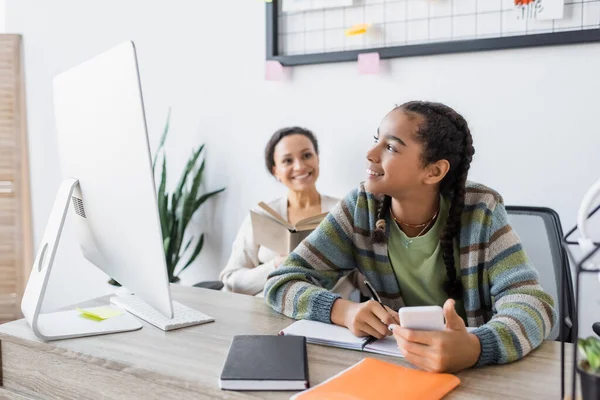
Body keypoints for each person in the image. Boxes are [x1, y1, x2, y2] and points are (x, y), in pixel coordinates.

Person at [265, 101, 556, 373]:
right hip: (398, 365)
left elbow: (532, 303)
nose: (371, 153)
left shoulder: (482, 210)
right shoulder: (360, 207)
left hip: (476, 375)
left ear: (434, 171)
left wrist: (476, 347)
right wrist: (343, 311)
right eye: (376, 138)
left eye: (390, 147)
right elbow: (283, 281)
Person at [220, 127, 340, 296]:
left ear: (317, 158)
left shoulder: (343, 211)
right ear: (275, 170)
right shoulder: (262, 215)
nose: (299, 166)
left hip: (328, 316)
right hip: (266, 314)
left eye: (307, 155)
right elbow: (232, 281)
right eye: (287, 161)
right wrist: (275, 265)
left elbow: (364, 279)